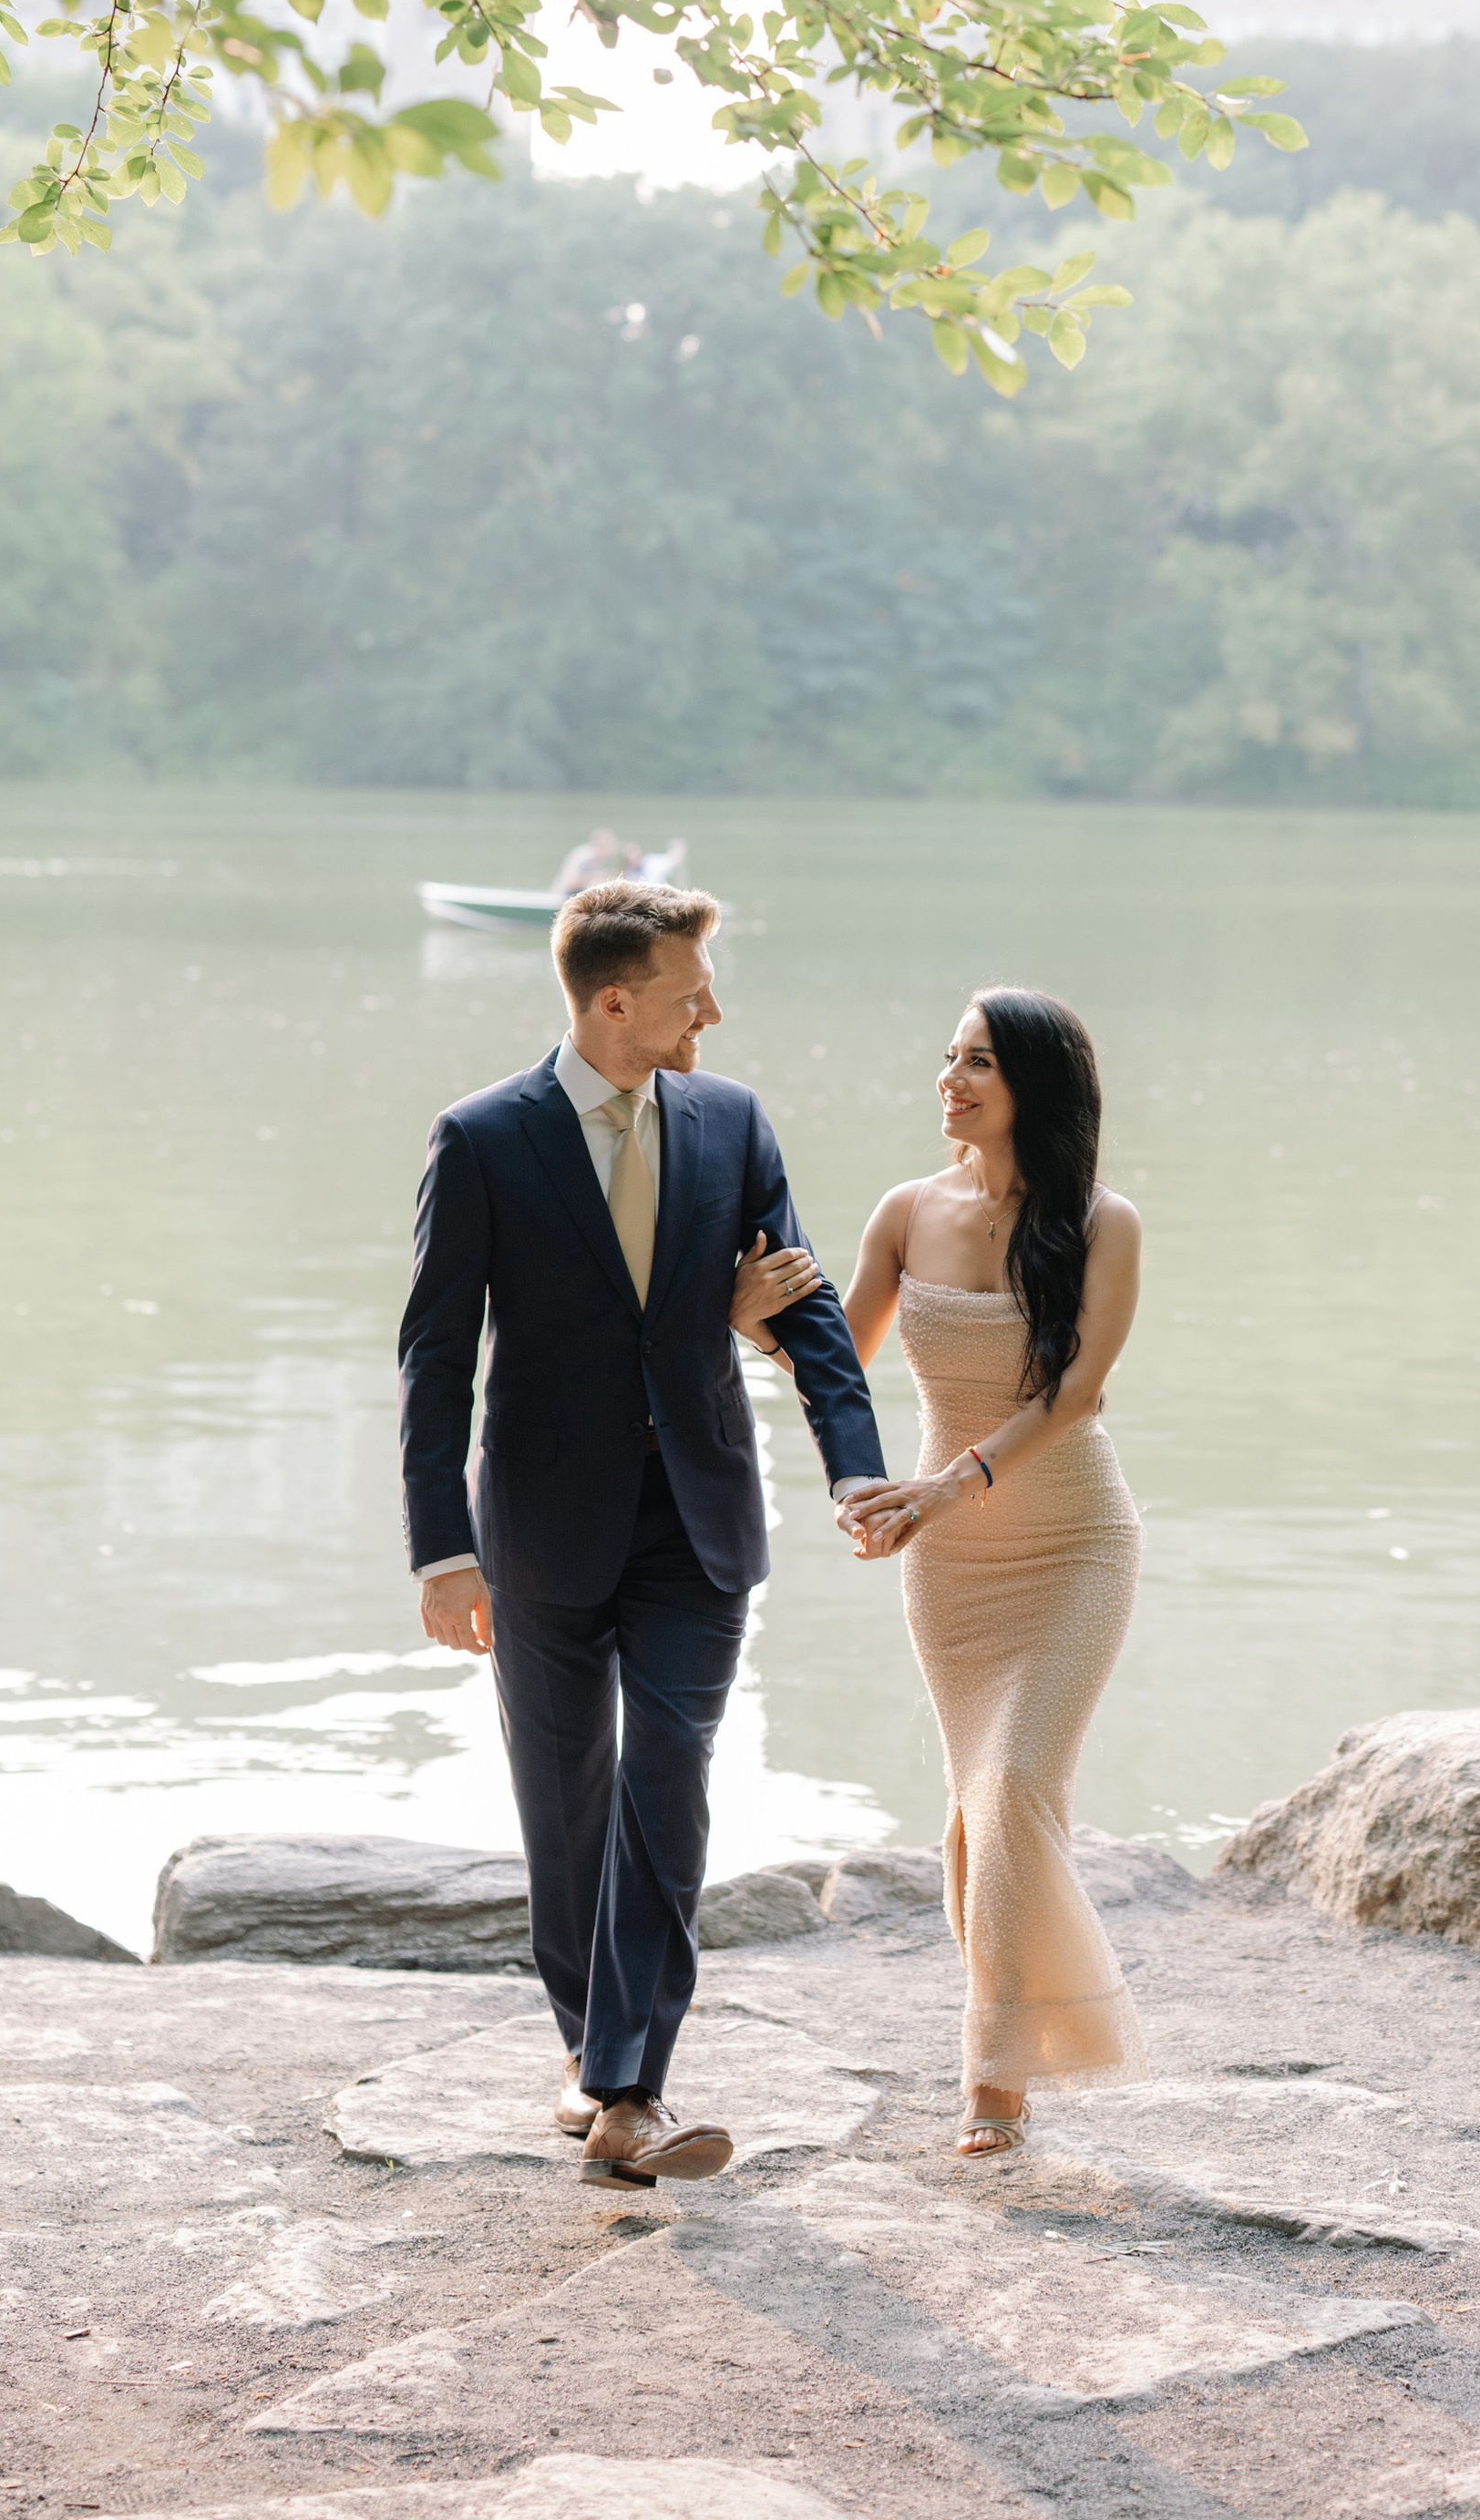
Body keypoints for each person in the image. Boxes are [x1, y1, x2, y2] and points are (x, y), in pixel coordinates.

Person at [397, 879, 883, 2187]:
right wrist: (442, 1550)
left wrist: (857, 1470)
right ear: (618, 1000)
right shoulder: (485, 1138)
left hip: (701, 1523)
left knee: (668, 1771)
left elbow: (807, 1305)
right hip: (541, 1530)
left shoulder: (732, 1122)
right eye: (691, 989)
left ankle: (628, 2087)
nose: (713, 1010)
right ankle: (594, 2065)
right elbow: (437, 1360)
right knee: (567, 1808)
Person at [747, 987, 1145, 2157]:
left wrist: (944, 1485)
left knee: (1016, 1783)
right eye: (948, 1057)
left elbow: (1076, 1397)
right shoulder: (905, 1211)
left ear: (1035, 1085)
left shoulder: (1103, 1222)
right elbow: (840, 1353)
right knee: (981, 1804)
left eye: (979, 1062)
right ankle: (1004, 2058)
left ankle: (995, 2081)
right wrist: (748, 1318)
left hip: (1070, 1536)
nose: (950, 1080)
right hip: (948, 1556)